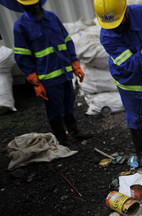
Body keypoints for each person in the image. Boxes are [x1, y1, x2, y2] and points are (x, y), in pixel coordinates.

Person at [13, 0, 94, 149]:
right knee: (54, 110)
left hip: (64, 72)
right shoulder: (20, 26)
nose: (32, 6)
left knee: (68, 104)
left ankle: (74, 133)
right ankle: (62, 140)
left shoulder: (52, 17)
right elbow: (22, 56)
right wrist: (35, 82)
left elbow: (67, 40)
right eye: (28, 4)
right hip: (47, 78)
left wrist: (74, 63)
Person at [94, 0, 142, 166]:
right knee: (134, 116)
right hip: (128, 81)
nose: (114, 27)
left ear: (125, 11)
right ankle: (141, 151)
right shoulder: (107, 36)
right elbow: (131, 64)